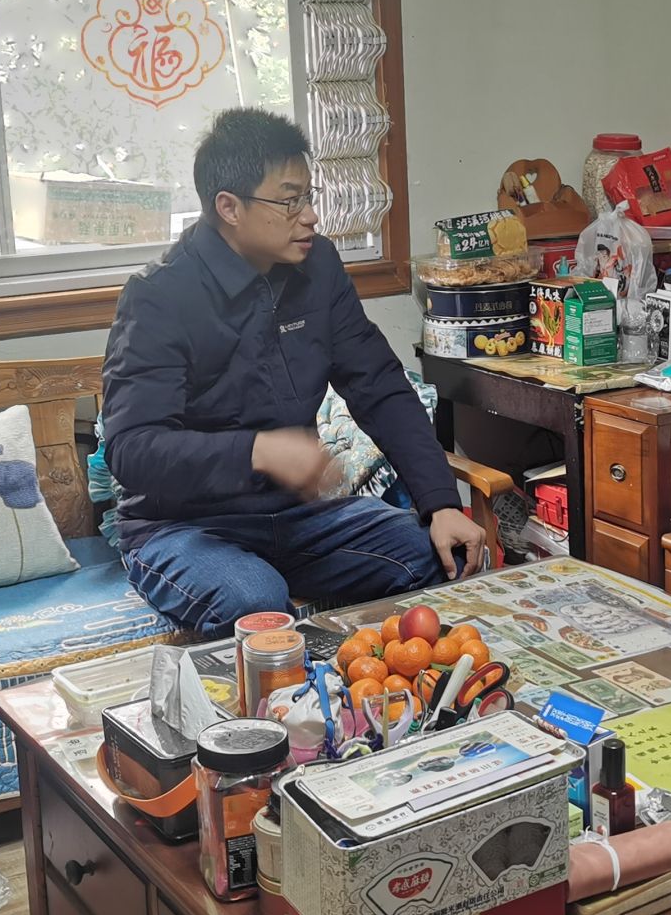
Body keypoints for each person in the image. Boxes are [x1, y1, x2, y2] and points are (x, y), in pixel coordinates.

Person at [101, 108, 487, 635]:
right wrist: (257, 451)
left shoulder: (317, 266)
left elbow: (379, 386)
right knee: (255, 602)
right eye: (289, 201)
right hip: (183, 526)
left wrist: (440, 502)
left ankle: (373, 685)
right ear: (229, 207)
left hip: (297, 517)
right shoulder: (160, 296)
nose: (310, 216)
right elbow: (133, 450)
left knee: (437, 552)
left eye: (309, 196)